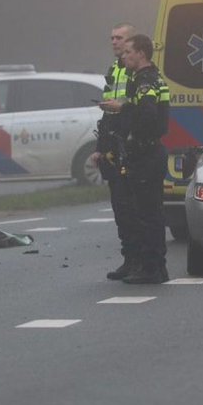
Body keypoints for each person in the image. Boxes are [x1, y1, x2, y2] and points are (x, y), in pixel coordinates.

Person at [115, 34, 171, 284]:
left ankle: (152, 269)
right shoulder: (146, 79)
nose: (124, 56)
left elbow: (148, 118)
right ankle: (152, 266)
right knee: (147, 212)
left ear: (141, 53)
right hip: (147, 152)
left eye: (128, 52)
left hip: (146, 153)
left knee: (147, 214)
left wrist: (123, 108)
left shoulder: (146, 82)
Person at [91, 23, 140, 280]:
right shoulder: (114, 69)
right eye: (111, 38)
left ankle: (139, 260)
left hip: (130, 147)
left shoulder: (135, 71)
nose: (114, 42)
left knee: (133, 208)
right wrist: (100, 148)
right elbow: (107, 114)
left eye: (119, 38)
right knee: (120, 208)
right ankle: (129, 259)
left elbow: (135, 108)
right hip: (113, 146)